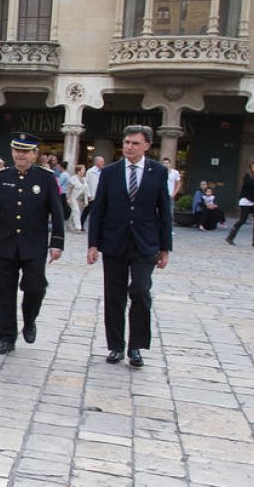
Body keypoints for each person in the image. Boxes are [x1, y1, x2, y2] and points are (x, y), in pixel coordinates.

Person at [88, 124, 172, 368]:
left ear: (146, 145)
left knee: (140, 291)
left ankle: (136, 345)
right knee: (114, 295)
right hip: (115, 241)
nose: (129, 147)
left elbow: (164, 211)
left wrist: (165, 247)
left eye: (135, 143)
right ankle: (116, 346)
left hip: (145, 243)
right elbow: (99, 210)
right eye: (126, 142)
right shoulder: (111, 172)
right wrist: (93, 244)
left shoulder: (157, 172)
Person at [0, 132, 64, 354]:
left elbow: (57, 211)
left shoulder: (45, 178)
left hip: (33, 245)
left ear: (35, 154)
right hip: (5, 244)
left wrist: (57, 243)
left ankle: (30, 319)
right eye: (16, 151)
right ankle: (7, 338)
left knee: (35, 288)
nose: (20, 155)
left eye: (25, 151)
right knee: (3, 292)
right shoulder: (1, 176)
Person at [226, 160, 254, 247]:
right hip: (247, 201)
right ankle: (230, 237)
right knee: (242, 220)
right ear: (250, 167)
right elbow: (252, 185)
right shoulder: (247, 176)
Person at [83, 155, 105, 229]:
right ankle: (81, 224)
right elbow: (86, 183)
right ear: (96, 162)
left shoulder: (104, 171)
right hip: (92, 195)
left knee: (98, 212)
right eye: (101, 161)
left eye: (103, 161)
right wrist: (88, 194)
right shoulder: (90, 171)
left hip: (100, 195)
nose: (103, 163)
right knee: (87, 211)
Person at [67, 164, 86, 233]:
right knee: (76, 211)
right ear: (78, 171)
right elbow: (69, 189)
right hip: (73, 198)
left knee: (74, 212)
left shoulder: (84, 179)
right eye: (83, 170)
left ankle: (69, 225)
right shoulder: (73, 179)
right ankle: (78, 228)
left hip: (80, 199)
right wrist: (68, 198)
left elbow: (85, 190)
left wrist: (86, 199)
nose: (84, 171)